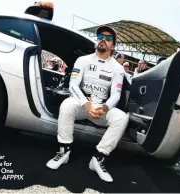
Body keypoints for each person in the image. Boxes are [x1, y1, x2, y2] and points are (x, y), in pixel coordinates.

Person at [46, 25, 129, 182]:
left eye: (109, 38)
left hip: (100, 109)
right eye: (100, 37)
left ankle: (98, 159)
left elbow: (116, 94)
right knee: (67, 104)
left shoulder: (118, 68)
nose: (103, 39)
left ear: (113, 46)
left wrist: (103, 108)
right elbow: (73, 85)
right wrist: (86, 104)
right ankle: (64, 152)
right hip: (82, 105)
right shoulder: (82, 60)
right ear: (96, 41)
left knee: (122, 118)